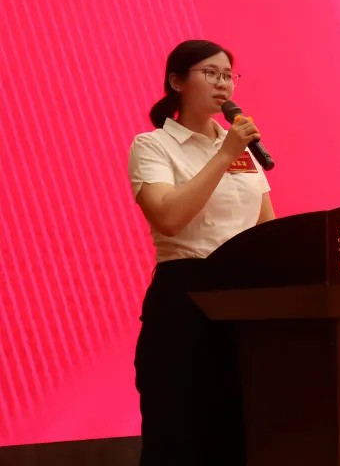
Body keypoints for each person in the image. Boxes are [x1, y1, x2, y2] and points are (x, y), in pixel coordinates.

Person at [128, 39, 276, 466]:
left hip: (242, 303)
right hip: (185, 298)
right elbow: (169, 217)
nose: (222, 83)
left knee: (237, 433)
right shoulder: (154, 145)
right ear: (176, 81)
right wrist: (225, 153)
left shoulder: (241, 150)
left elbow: (267, 229)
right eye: (210, 73)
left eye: (228, 75)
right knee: (180, 435)